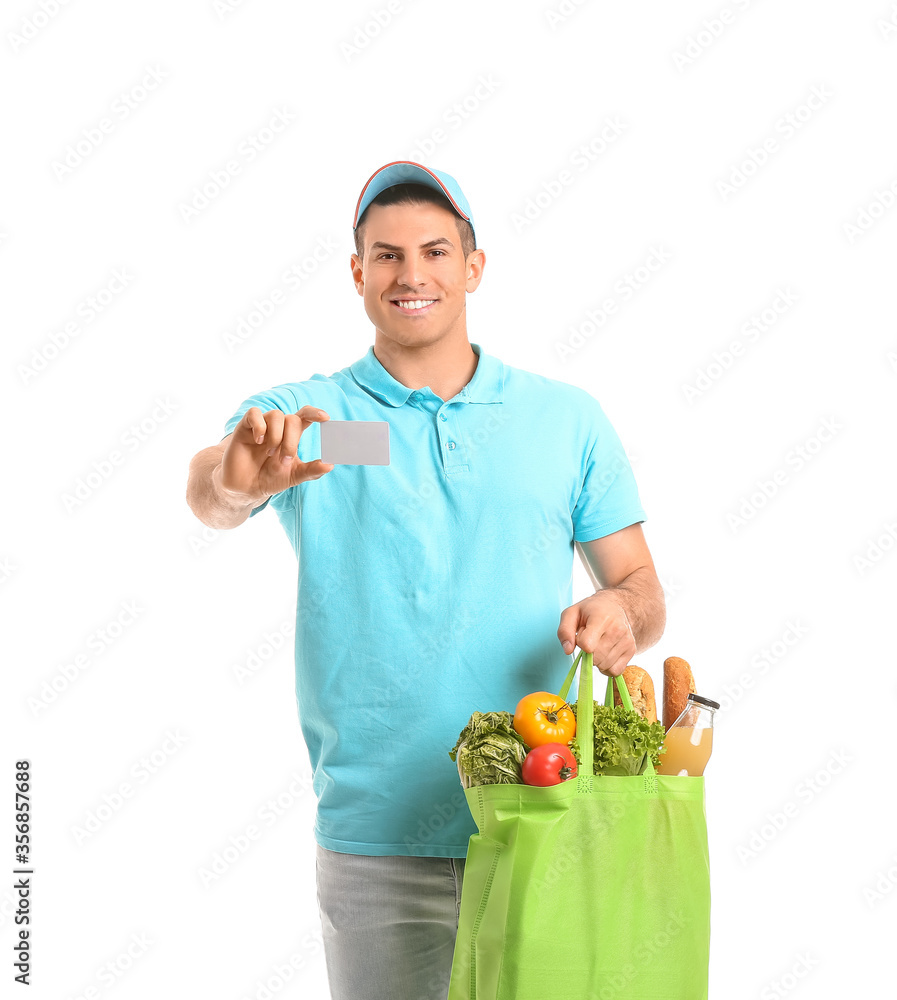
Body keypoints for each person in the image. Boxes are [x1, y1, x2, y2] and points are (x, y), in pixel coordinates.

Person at [185, 161, 666, 1000]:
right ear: (357, 274)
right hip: (378, 841)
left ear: (472, 267)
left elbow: (640, 588)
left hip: (543, 817)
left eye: (435, 251)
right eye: (387, 255)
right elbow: (216, 490)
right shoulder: (333, 428)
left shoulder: (562, 420)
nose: (412, 274)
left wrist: (619, 611)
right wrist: (237, 481)